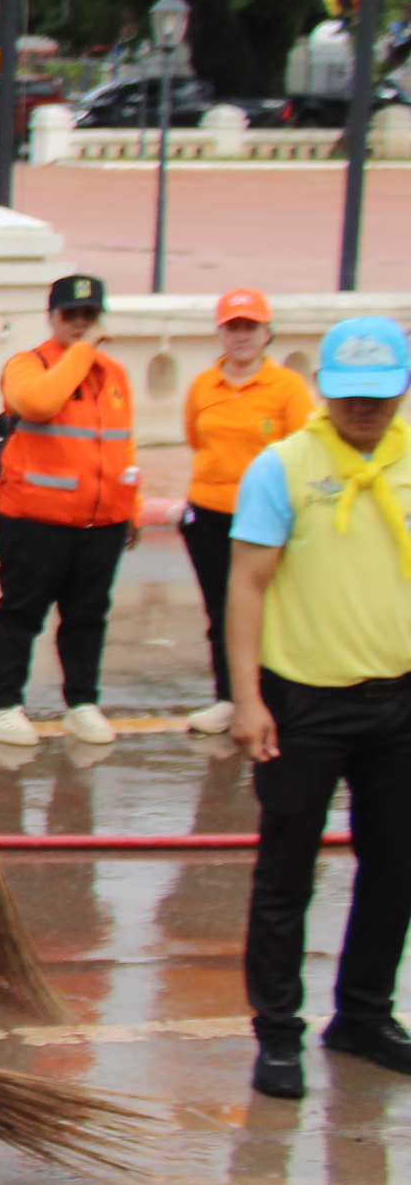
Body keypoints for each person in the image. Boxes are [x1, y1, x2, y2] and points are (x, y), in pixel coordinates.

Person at [221, 313, 411, 1103]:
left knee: (396, 866)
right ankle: (277, 1030)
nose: (364, 409)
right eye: (350, 394)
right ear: (326, 390)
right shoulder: (283, 466)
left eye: (380, 395)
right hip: (302, 702)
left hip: (398, 698)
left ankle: (363, 1014)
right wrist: (246, 699)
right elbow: (247, 585)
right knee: (286, 871)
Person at [0, 272, 142, 747]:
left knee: (87, 616)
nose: (79, 323)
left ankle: (82, 703)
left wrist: (131, 507)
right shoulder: (27, 365)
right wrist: (82, 351)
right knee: (21, 613)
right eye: (69, 315)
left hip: (101, 522)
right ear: (52, 317)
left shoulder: (113, 374)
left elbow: (122, 445)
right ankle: (4, 705)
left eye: (88, 315)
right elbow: (37, 403)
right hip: (34, 520)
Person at [178, 291, 316, 738]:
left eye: (250, 327)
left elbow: (303, 448)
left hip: (266, 521)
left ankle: (275, 696)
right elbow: (196, 439)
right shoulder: (203, 385)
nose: (241, 336)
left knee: (271, 607)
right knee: (221, 610)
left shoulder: (287, 387)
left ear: (267, 333)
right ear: (220, 333)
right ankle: (229, 698)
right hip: (209, 514)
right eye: (232, 327)